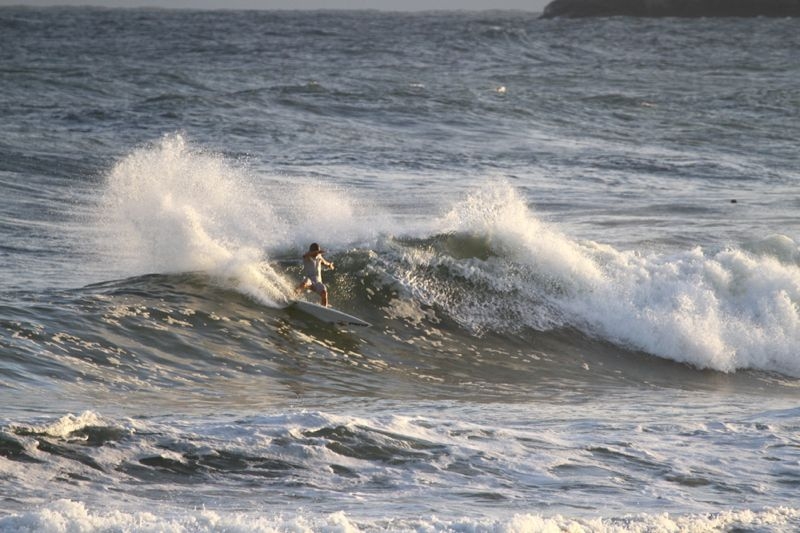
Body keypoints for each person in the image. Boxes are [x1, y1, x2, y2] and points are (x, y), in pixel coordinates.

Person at [295, 242, 335, 307]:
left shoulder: (319, 257)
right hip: (310, 280)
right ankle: (293, 296)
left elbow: (324, 262)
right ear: (311, 251)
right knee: (305, 282)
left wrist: (329, 265)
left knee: (324, 292)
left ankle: (324, 308)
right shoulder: (307, 257)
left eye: (318, 252)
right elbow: (305, 255)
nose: (317, 254)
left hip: (318, 282)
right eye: (316, 252)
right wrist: (316, 252)